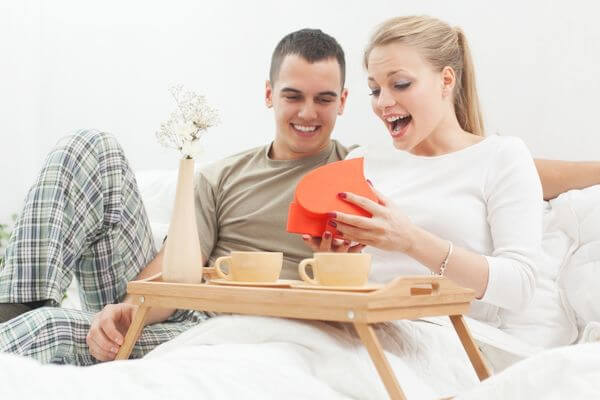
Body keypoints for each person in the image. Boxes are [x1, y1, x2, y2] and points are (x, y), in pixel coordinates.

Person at [0, 24, 597, 365]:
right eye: (294, 96)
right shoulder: (242, 173)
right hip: (183, 296)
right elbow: (178, 266)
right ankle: (20, 307)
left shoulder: (360, 165)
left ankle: (42, 328)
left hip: (263, 318)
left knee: (56, 333)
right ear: (268, 95)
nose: (309, 113)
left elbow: (491, 170)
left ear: (339, 107)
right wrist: (135, 305)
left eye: (328, 99)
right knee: (89, 146)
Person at [314, 15, 546, 324]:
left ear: (446, 80)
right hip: (358, 330)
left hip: (451, 341)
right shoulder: (359, 161)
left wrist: (410, 240)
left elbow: (519, 286)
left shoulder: (501, 156)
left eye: (400, 84)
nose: (383, 102)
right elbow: (344, 288)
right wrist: (335, 262)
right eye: (374, 90)